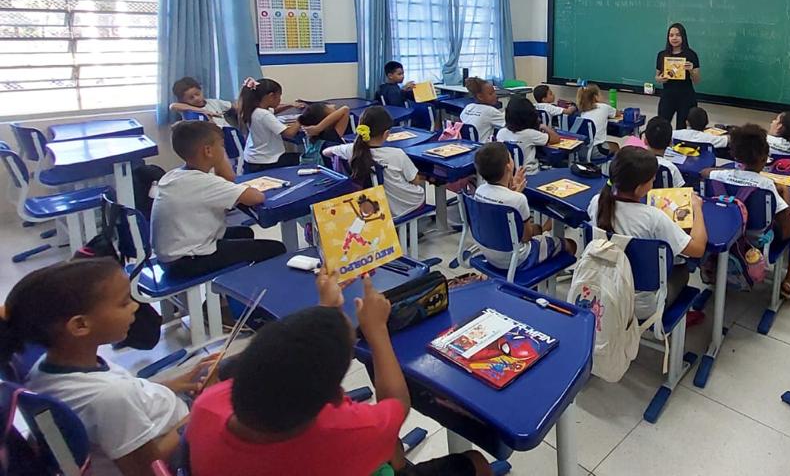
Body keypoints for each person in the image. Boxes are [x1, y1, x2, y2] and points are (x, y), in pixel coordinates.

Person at [186, 273, 490, 476]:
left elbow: (294, 360)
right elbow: (397, 405)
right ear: (331, 399)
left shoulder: (208, 406)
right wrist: (377, 332)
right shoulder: (344, 434)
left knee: (391, 449)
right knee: (475, 462)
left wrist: (325, 310)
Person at [4, 260, 219, 476]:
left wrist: (172, 384)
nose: (135, 306)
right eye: (124, 303)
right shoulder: (110, 397)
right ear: (80, 325)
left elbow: (127, 395)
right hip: (178, 443)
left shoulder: (48, 367)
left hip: (161, 417)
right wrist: (202, 407)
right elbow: (150, 470)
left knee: (221, 369)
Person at [152, 121, 284, 279]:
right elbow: (256, 197)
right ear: (208, 151)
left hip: (171, 255)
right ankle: (258, 289)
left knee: (244, 232)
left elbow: (228, 180)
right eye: (222, 146)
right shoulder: (204, 182)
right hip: (187, 261)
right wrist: (220, 161)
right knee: (275, 249)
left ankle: (237, 282)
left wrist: (218, 158)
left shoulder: (175, 175)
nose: (224, 151)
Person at [588, 146, 706, 320]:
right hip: (640, 305)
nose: (653, 183)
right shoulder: (653, 218)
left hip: (602, 289)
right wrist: (697, 208)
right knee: (682, 269)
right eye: (651, 180)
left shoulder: (597, 202)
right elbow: (698, 249)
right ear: (639, 189)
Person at [704, 124, 790, 300]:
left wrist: (723, 171)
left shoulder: (716, 176)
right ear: (764, 158)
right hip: (755, 240)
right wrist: (785, 191)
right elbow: (785, 229)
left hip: (725, 233)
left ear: (735, 155)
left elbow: (704, 172)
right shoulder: (766, 185)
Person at [472, 143, 576, 270]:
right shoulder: (518, 199)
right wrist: (516, 195)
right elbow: (526, 237)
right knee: (570, 244)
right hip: (517, 258)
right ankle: (547, 272)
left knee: (538, 229)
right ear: (508, 166)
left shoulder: (479, 191)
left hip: (489, 253)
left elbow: (499, 204)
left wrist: (512, 192)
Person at [323, 106, 428, 218]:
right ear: (386, 134)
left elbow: (326, 152)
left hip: (372, 207)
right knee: (420, 185)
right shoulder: (397, 154)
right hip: (406, 205)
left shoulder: (351, 150)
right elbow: (415, 180)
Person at [237, 78, 308, 173]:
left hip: (253, 158)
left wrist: (291, 105)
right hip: (266, 161)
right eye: (279, 97)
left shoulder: (253, 109)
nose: (280, 100)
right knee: (302, 160)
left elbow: (273, 110)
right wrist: (301, 119)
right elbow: (289, 133)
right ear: (271, 96)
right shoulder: (264, 114)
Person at [496, 97, 561, 174]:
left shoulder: (501, 133)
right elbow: (556, 139)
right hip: (531, 174)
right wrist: (544, 126)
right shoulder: (530, 134)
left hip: (510, 175)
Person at [655, 22, 701, 129]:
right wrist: (660, 79)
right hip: (667, 96)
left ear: (683, 37)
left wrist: (691, 70)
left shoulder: (691, 55)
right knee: (662, 126)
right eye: (671, 35)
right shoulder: (662, 55)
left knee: (682, 129)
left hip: (686, 97)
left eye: (678, 35)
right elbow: (656, 77)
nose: (674, 38)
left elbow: (697, 80)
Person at [378, 61, 435, 129]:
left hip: (404, 108)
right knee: (429, 106)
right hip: (402, 111)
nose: (403, 76)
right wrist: (403, 90)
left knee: (429, 101)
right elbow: (396, 103)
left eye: (403, 73)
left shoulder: (387, 87)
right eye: (399, 74)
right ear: (390, 76)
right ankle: (428, 130)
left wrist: (406, 91)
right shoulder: (391, 89)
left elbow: (401, 96)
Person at [169, 76, 235, 127]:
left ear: (201, 90)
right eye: (191, 98)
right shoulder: (186, 110)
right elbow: (172, 106)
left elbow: (234, 106)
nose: (196, 98)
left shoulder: (214, 102)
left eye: (197, 94)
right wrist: (203, 111)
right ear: (182, 100)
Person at [641, 118, 684, 188]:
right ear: (670, 143)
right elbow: (682, 191)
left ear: (645, 141)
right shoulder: (671, 168)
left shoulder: (636, 161)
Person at [576, 83, 618, 156]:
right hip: (596, 150)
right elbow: (617, 113)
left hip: (581, 150)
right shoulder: (604, 107)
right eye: (600, 94)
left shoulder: (582, 110)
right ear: (596, 97)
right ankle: (618, 163)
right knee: (616, 146)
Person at [460, 77, 505, 143]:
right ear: (480, 96)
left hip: (466, 145)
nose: (495, 95)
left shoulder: (468, 107)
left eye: (494, 92)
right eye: (491, 94)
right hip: (483, 147)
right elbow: (509, 123)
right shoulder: (490, 111)